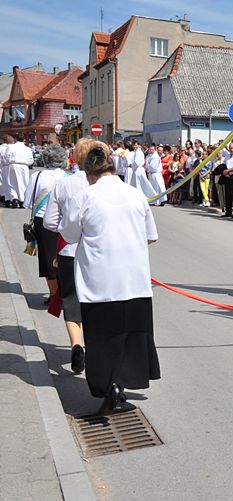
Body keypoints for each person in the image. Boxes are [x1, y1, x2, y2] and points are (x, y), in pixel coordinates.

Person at [59, 145, 160, 415]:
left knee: (103, 338)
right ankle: (122, 385)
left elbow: (68, 235)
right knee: (131, 336)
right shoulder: (136, 195)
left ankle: (109, 387)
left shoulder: (85, 196)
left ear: (89, 173)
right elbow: (151, 236)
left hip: (100, 282)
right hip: (134, 281)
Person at [43, 139, 101, 374]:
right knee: (96, 302)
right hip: (97, 252)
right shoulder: (103, 183)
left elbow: (49, 221)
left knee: (71, 300)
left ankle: (77, 345)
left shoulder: (64, 184)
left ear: (75, 158)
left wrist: (66, 227)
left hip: (68, 250)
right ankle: (96, 347)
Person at [23, 144, 67, 303]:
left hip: (43, 221)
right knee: (66, 258)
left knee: (48, 259)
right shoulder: (68, 177)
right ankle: (67, 294)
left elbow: (27, 203)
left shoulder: (37, 176)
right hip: (65, 222)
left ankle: (54, 296)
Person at [7, 133, 33, 207]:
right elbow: (31, 160)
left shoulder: (11, 147)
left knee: (12, 182)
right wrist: (27, 163)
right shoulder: (27, 148)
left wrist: (10, 161)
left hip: (13, 164)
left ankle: (14, 198)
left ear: (15, 139)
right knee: (24, 182)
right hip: (23, 165)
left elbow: (7, 156)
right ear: (24, 139)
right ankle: (22, 200)